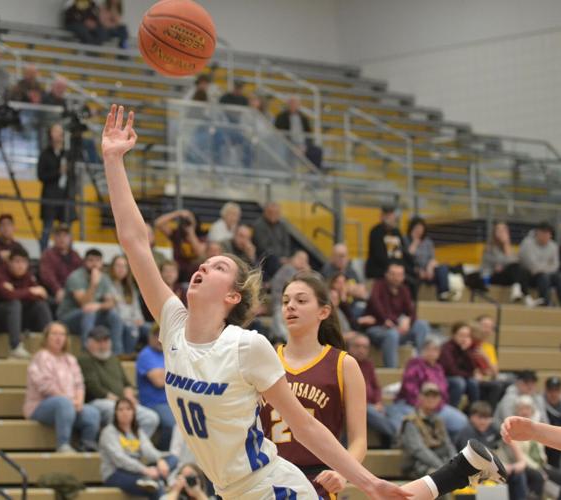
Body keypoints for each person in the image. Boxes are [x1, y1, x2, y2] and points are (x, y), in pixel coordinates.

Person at [101, 104, 506, 500]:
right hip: (228, 491)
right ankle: (461, 468)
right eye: (205, 262)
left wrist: (366, 482)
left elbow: (306, 427)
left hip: (271, 488)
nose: (205, 265)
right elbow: (135, 241)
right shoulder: (172, 323)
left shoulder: (246, 347)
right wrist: (114, 161)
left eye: (219, 265)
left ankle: (456, 470)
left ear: (232, 296)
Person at [260, 271, 368, 499]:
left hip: (317, 483)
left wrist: (343, 473)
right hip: (267, 481)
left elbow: (359, 439)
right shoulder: (264, 359)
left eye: (301, 300)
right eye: (285, 301)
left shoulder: (344, 365)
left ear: (323, 311)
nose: (290, 306)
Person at [23, 322, 100, 452]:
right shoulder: (41, 357)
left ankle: (87, 444)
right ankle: (63, 445)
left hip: (70, 404)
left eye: (62, 334)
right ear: (46, 337)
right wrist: (70, 401)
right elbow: (46, 386)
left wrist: (79, 401)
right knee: (63, 403)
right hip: (41, 405)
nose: (58, 338)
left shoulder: (70, 359)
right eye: (54, 334)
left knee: (93, 413)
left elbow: (79, 383)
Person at [78, 326, 160, 436]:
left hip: (120, 402)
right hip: (97, 402)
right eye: (98, 341)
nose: (103, 345)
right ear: (89, 343)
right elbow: (94, 388)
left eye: (106, 341)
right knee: (115, 411)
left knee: (151, 418)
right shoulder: (84, 360)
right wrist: (120, 401)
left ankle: (132, 447)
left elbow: (126, 383)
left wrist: (129, 396)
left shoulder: (114, 359)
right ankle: (119, 446)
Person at [387, 335, 469, 439]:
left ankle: (447, 447)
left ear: (439, 353)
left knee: (461, 422)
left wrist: (436, 404)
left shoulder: (438, 368)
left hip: (436, 407)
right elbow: (410, 390)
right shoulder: (414, 364)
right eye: (428, 349)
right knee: (413, 423)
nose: (431, 352)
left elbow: (443, 392)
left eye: (435, 350)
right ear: (422, 351)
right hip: (413, 405)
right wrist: (425, 405)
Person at [100, 398, 175, 499]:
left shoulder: (137, 432)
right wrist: (144, 470)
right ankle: (155, 480)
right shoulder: (109, 432)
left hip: (137, 472)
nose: (124, 412)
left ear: (134, 412)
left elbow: (149, 451)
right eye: (120, 409)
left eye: (128, 409)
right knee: (155, 487)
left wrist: (160, 460)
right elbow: (120, 460)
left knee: (172, 458)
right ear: (115, 413)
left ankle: (154, 479)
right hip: (115, 474)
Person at [0, 246, 52, 359]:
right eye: (17, 261)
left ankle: (51, 344)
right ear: (9, 263)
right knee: (14, 303)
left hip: (19, 318)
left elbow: (41, 295)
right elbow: (9, 296)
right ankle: (15, 346)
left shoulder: (28, 276)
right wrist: (30, 291)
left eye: (24, 262)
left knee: (40, 306)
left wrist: (17, 292)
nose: (21, 265)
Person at [458, 402, 530, 500]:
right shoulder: (467, 432)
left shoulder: (493, 427)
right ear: (472, 417)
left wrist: (521, 461)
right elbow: (473, 459)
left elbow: (509, 439)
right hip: (474, 472)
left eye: (486, 418)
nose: (483, 421)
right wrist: (501, 467)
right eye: (480, 417)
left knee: (521, 475)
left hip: (495, 469)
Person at [57, 248, 124, 353]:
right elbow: (84, 304)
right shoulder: (76, 276)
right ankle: (87, 352)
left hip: (91, 315)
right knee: (89, 312)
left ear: (102, 263)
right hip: (68, 317)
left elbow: (111, 303)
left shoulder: (104, 278)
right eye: (91, 260)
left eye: (98, 261)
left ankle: (117, 354)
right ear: (84, 262)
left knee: (114, 317)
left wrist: (99, 306)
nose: (94, 264)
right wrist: (93, 284)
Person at [364, 261, 429, 368]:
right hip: (378, 327)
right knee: (392, 334)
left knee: (422, 325)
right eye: (393, 274)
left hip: (397, 328)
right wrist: (392, 321)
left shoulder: (404, 289)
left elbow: (411, 312)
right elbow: (376, 305)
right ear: (386, 274)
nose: (396, 277)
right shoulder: (378, 285)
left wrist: (408, 321)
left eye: (399, 275)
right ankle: (392, 371)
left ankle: (420, 361)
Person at [348, 333, 397, 449]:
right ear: (350, 347)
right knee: (367, 411)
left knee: (396, 410)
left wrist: (378, 402)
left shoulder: (368, 364)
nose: (361, 350)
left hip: (372, 405)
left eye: (365, 347)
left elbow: (376, 387)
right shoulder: (345, 363)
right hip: (354, 406)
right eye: (357, 346)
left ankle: (392, 436)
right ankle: (396, 434)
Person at [400, 382, 457, 479]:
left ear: (439, 399)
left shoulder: (438, 421)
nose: (431, 399)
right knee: (440, 479)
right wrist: (442, 467)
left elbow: (448, 445)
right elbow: (418, 450)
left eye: (435, 396)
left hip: (438, 463)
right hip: (417, 466)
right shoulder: (411, 421)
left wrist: (455, 464)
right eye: (427, 395)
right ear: (420, 397)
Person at [37, 123, 76, 250]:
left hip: (65, 197)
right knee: (47, 229)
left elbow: (72, 176)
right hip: (50, 198)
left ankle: (67, 256)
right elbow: (41, 175)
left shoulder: (68, 154)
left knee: (66, 230)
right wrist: (58, 172)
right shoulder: (45, 154)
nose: (59, 134)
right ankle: (43, 255)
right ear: (50, 134)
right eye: (55, 131)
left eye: (61, 131)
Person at [365, 206, 416, 299]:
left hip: (397, 266)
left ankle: (409, 308)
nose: (390, 218)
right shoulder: (376, 231)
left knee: (413, 277)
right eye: (387, 216)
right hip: (380, 269)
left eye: (392, 216)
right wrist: (393, 267)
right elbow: (378, 255)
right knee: (406, 280)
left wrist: (409, 266)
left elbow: (403, 252)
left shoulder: (397, 232)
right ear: (382, 216)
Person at [513, 396, 559, 498]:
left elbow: (541, 452)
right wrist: (540, 470)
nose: (525, 412)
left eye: (527, 409)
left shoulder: (537, 426)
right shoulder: (514, 428)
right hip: (525, 465)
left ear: (532, 411)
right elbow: (522, 457)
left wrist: (544, 466)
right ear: (517, 411)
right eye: (522, 409)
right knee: (538, 477)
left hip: (540, 465)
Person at [136, 328, 174, 451]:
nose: (159, 339)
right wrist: (175, 371)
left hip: (173, 401)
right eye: (156, 335)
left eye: (161, 335)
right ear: (150, 337)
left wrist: (165, 373)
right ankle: (164, 453)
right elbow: (158, 381)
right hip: (155, 403)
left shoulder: (170, 352)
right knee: (173, 425)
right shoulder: (146, 354)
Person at [109, 255, 149, 353]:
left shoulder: (130, 288)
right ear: (112, 268)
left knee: (151, 330)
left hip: (132, 321)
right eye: (118, 266)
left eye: (124, 266)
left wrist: (139, 319)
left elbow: (136, 309)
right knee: (132, 330)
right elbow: (113, 313)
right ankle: (126, 356)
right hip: (119, 322)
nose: (121, 269)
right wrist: (132, 321)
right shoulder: (107, 285)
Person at [404, 217, 451, 300]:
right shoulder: (406, 240)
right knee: (412, 274)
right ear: (412, 228)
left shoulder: (428, 242)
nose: (419, 231)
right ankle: (412, 300)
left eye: (421, 229)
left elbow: (432, 259)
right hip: (414, 270)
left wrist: (429, 269)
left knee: (443, 268)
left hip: (428, 271)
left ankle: (443, 294)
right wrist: (415, 242)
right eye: (417, 228)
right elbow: (408, 257)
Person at [154, 209, 206, 284]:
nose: (187, 223)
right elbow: (158, 223)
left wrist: (191, 233)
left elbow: (199, 253)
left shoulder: (201, 237)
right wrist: (177, 214)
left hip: (195, 272)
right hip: (178, 274)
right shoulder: (177, 234)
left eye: (190, 220)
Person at [269, 250, 310, 342]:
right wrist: (306, 273)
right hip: (280, 303)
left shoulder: (300, 273)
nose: (302, 262)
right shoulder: (288, 269)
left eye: (305, 260)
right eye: (300, 258)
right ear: (293, 259)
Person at [518, 221, 560, 307]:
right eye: (543, 233)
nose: (546, 236)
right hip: (530, 275)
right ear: (537, 232)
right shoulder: (527, 243)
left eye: (548, 233)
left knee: (558, 277)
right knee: (543, 277)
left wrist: (543, 269)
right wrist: (545, 267)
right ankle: (545, 302)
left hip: (547, 274)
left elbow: (555, 265)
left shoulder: (553, 246)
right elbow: (530, 263)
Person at [39, 224, 82, 307]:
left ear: (70, 238)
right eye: (59, 235)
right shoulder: (48, 254)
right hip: (53, 293)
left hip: (73, 292)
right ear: (54, 238)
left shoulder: (75, 256)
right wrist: (57, 289)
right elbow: (47, 275)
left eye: (65, 236)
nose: (62, 239)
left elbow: (80, 274)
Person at [438, 322, 480, 408]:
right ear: (454, 335)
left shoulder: (466, 349)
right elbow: (451, 370)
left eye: (467, 336)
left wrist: (466, 352)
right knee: (459, 382)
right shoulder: (446, 348)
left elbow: (472, 368)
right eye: (461, 335)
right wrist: (470, 375)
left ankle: (474, 411)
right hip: (445, 377)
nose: (464, 339)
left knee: (473, 383)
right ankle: (452, 408)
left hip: (461, 376)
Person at [481, 221, 524, 302]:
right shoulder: (490, 248)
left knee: (518, 268)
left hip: (507, 275)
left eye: (504, 230)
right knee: (514, 267)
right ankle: (517, 288)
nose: (502, 233)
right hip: (492, 276)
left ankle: (517, 289)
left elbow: (514, 262)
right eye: (499, 230)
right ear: (494, 232)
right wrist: (506, 246)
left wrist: (506, 245)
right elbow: (497, 262)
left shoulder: (509, 247)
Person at [252, 202, 292, 280]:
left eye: (276, 213)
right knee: (273, 259)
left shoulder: (282, 226)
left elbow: (286, 244)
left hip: (282, 258)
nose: (273, 215)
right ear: (265, 212)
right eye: (271, 212)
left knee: (301, 256)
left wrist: (286, 256)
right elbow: (263, 246)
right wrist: (280, 258)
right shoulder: (258, 225)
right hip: (266, 258)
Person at [545, 377, 561, 468]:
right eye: (551, 390)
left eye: (556, 390)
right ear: (546, 390)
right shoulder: (540, 403)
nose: (553, 393)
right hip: (546, 440)